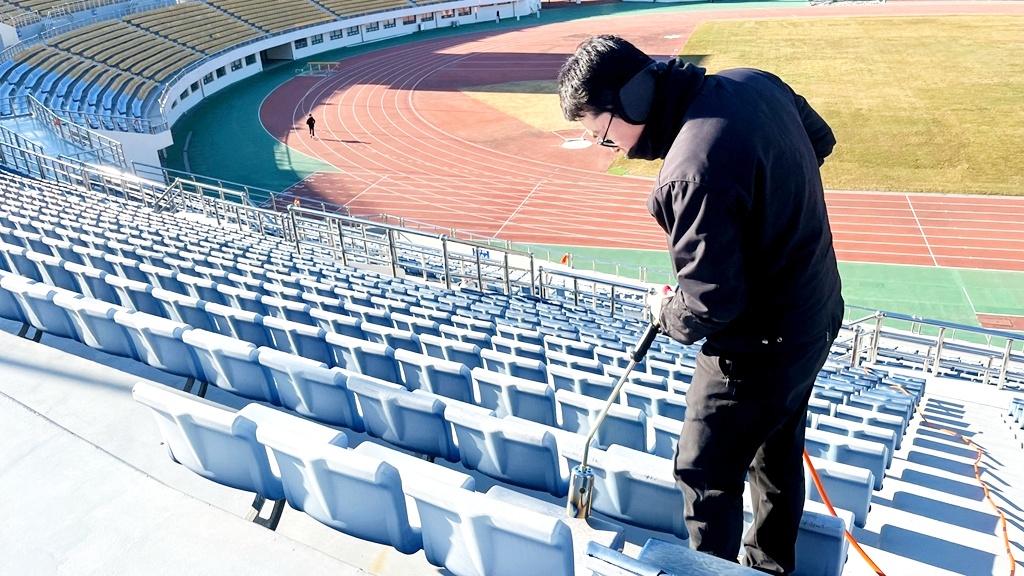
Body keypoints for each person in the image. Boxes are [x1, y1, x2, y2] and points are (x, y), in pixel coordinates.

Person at [558, 35, 844, 575]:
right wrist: (771, 214)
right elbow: (820, 141)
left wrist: (665, 313)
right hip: (818, 311)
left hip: (763, 342)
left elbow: (713, 304)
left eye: (603, 134)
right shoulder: (754, 81)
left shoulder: (690, 172)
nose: (609, 147)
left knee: (704, 467)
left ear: (635, 100)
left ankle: (716, 571)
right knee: (776, 449)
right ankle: (769, 566)